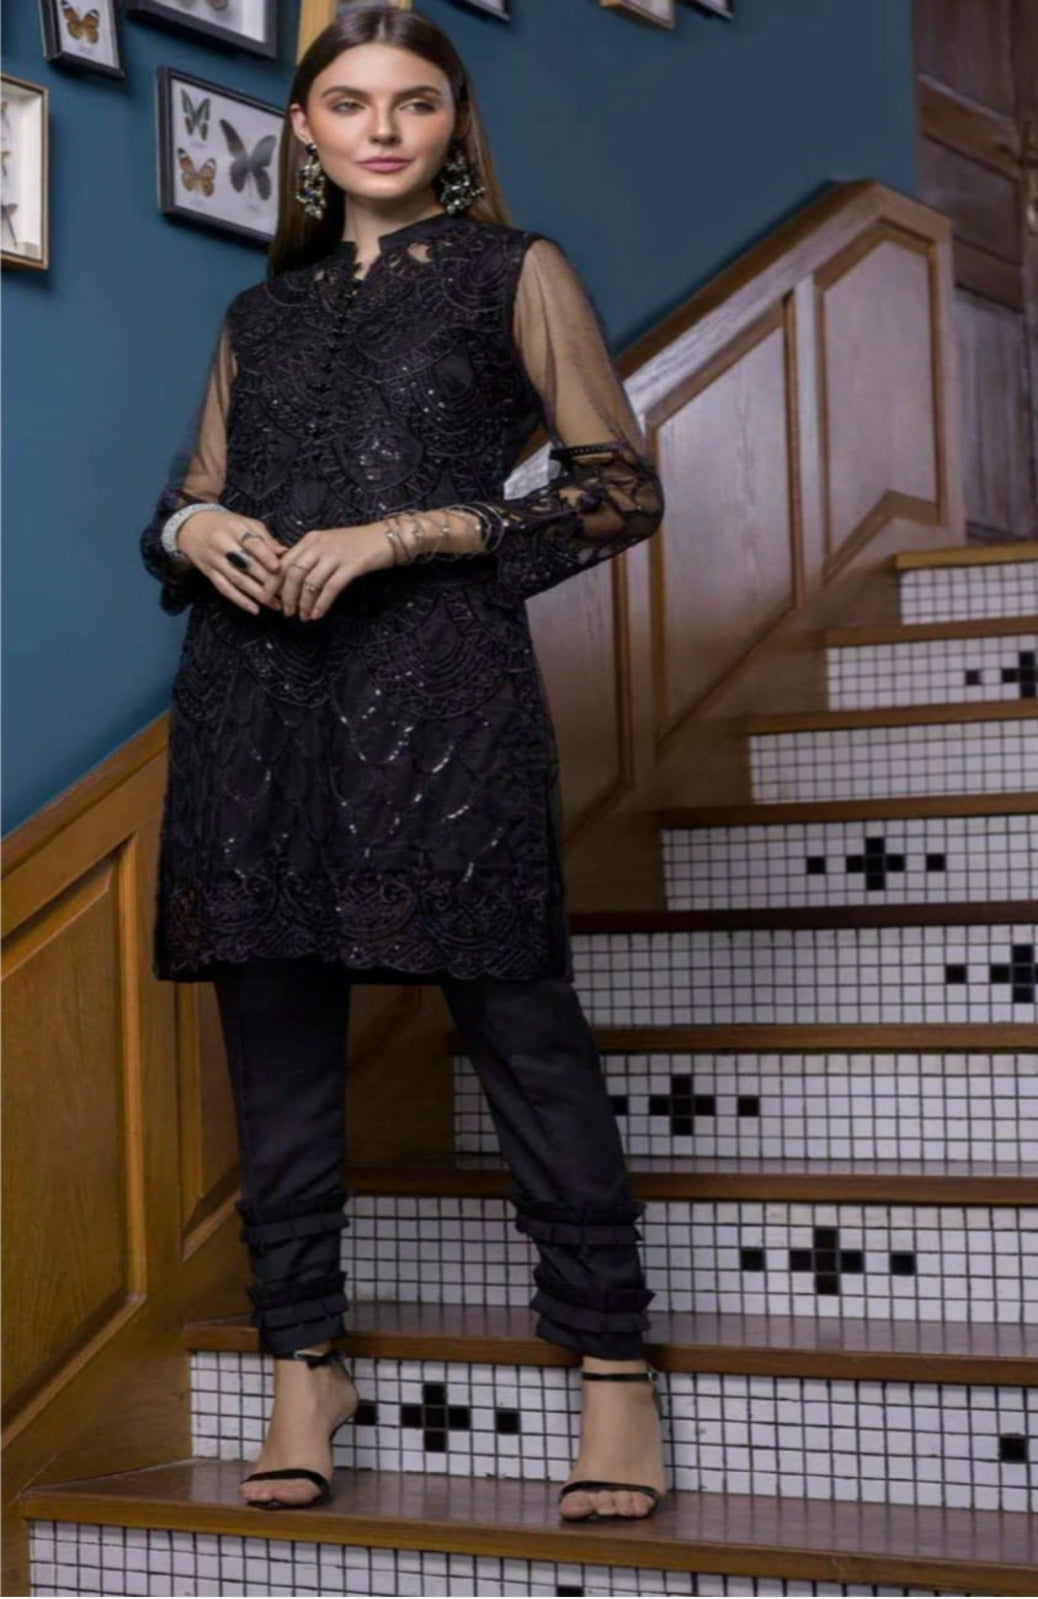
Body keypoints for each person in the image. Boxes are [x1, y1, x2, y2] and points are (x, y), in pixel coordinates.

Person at [139, 4, 667, 1525]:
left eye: (415, 102)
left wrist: (411, 532)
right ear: (305, 133)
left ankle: (611, 1369)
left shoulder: (516, 271)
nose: (382, 128)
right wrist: (198, 527)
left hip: (442, 686)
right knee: (273, 1029)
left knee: (519, 1016)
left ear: (453, 123)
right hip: (255, 694)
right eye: (351, 103)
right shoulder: (261, 316)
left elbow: (618, 490)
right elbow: (182, 501)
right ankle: (303, 1365)